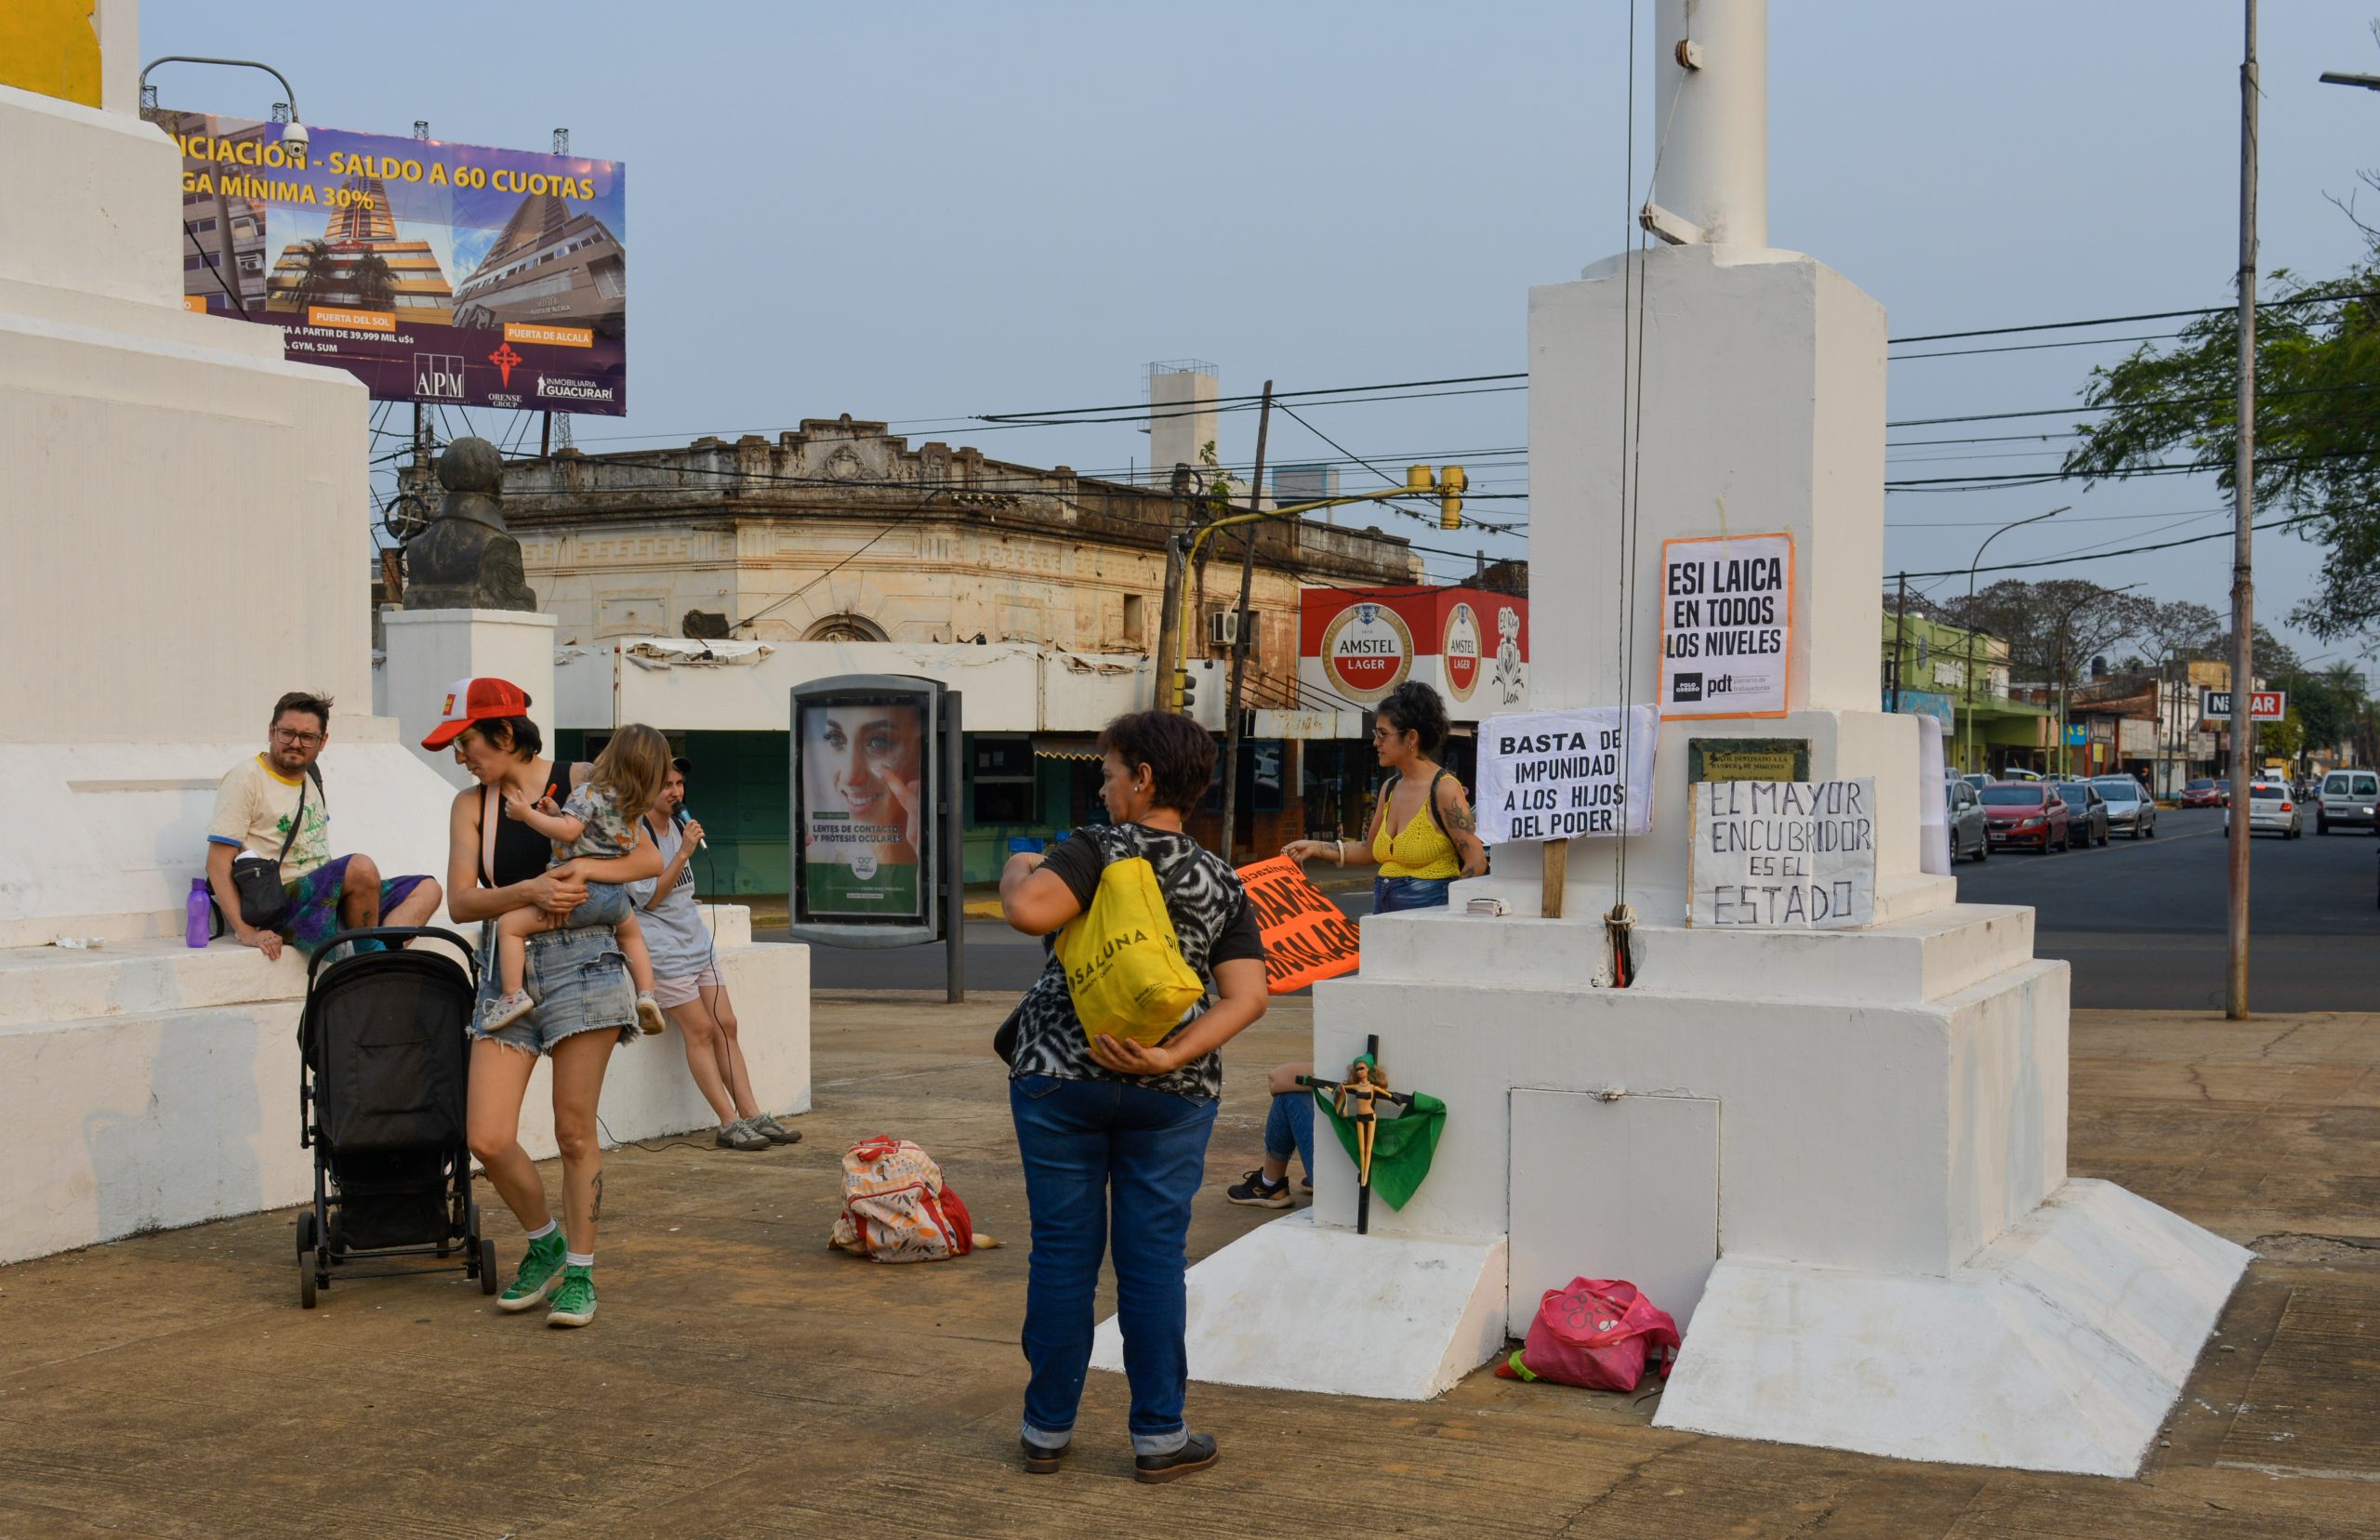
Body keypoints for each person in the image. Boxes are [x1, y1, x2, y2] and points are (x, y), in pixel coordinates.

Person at [998, 709, 1270, 1483]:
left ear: (1143, 776)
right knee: (1153, 1264)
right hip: (1171, 1093)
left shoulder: (1096, 847)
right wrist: (1168, 1054)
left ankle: (1046, 1430)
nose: (1104, 784)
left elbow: (1027, 910)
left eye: (1110, 770)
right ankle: (1158, 1436)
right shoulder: (1221, 877)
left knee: (1063, 1256)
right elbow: (1247, 997)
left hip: (1059, 1076)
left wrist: (1021, 863)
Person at [428, 678, 663, 1331]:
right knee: (488, 1134)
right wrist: (529, 887)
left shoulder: (586, 777)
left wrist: (585, 873)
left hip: (586, 961)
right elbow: (463, 901)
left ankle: (581, 1275)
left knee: (573, 1129)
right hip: (509, 966)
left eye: (466, 741)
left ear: (504, 734)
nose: (461, 755)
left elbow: (645, 855)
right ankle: (545, 1241)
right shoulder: (470, 804)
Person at [628, 757, 800, 1152]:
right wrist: (684, 853)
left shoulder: (675, 824)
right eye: (667, 785)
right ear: (645, 788)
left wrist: (684, 845)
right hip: (663, 948)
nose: (676, 792)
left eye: (680, 783)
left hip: (696, 941)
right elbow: (650, 899)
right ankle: (728, 1122)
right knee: (700, 1030)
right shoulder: (636, 834)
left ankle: (752, 1113)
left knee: (727, 1023)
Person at [205, 691, 442, 959]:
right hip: (281, 904)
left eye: (307, 737)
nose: (295, 743)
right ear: (271, 732)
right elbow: (217, 862)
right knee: (361, 866)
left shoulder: (312, 777)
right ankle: (370, 958)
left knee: (427, 889)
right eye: (287, 733)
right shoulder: (246, 778)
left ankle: (381, 954)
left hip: (329, 898)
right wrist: (246, 931)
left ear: (323, 741)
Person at [479, 725, 671, 1039]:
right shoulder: (631, 807)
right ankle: (646, 993)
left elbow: (569, 832)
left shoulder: (590, 792)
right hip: (615, 898)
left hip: (579, 893)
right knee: (633, 937)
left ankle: (512, 995)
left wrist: (526, 814)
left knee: (510, 925)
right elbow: (588, 830)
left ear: (610, 755)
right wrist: (556, 811)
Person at [1281, 679, 1487, 913]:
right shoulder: (1390, 787)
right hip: (1383, 917)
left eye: (1383, 734)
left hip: (1428, 920)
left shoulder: (1444, 789)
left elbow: (1476, 861)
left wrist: (1449, 914)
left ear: (1411, 738)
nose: (1376, 742)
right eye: (1375, 733)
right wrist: (1314, 847)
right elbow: (1369, 850)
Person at [800, 702, 924, 913]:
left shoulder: (928, 875)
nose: (850, 776)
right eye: (835, 739)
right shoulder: (825, 885)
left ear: (921, 755)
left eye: (878, 742)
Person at [1224, 1060, 1316, 1209]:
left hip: (1351, 1187)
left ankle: (1269, 1184)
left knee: (1290, 1092)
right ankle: (1326, 1171)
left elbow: (1277, 1078)